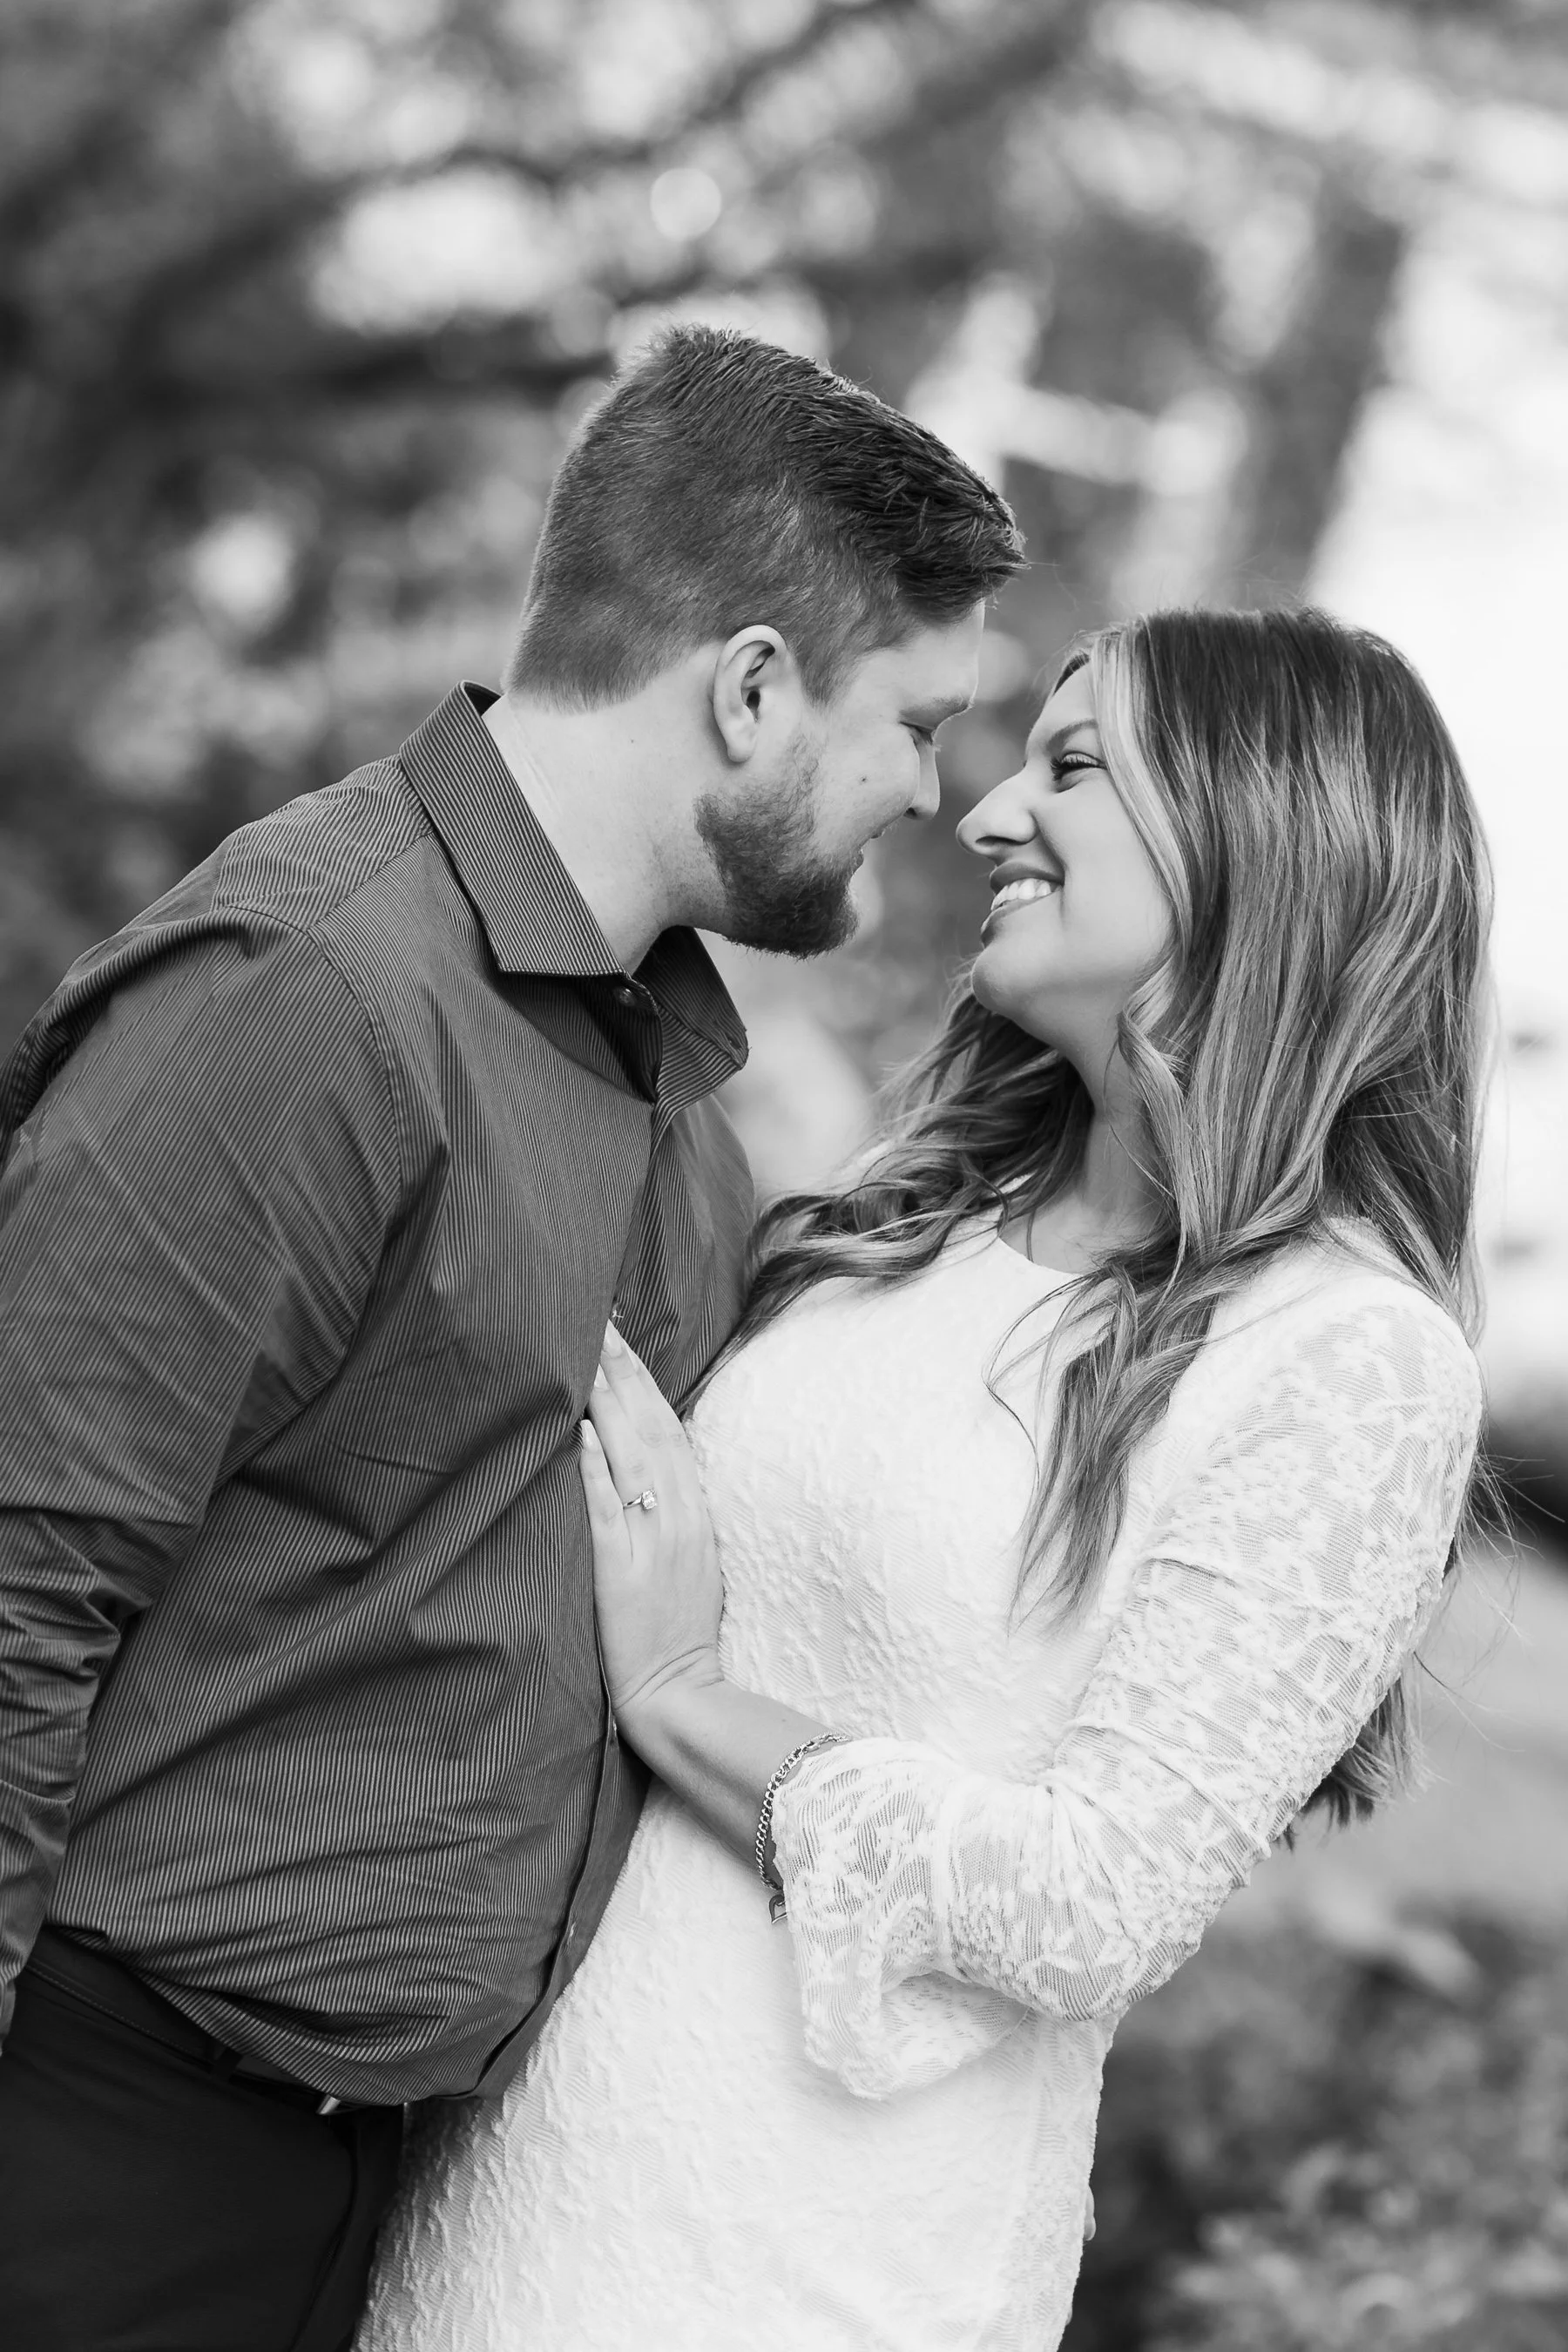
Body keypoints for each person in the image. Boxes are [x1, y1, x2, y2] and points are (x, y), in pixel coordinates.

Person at [0, 327, 1024, 2352]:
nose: (937, 791)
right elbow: (20, 1571)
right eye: (917, 721)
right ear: (749, 688)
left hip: (376, 2197)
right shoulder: (310, 993)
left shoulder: (672, 1101)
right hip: (100, 2139)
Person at [360, 605, 1490, 2352]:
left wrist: (684, 1694)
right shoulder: (923, 1213)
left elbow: (1087, 1902)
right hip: (521, 2169)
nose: (981, 816)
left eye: (1077, 765)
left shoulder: (1350, 1358)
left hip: (812, 2264)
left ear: (1272, 831)